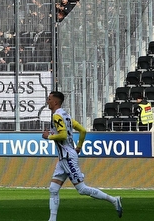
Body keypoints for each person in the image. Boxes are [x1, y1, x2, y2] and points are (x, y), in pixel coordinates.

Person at [43, 91, 121, 220]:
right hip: (64, 158)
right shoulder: (66, 116)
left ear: (55, 102)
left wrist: (49, 136)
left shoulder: (57, 116)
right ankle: (52, 219)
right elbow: (83, 130)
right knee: (53, 188)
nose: (47, 101)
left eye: (49, 99)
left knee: (82, 189)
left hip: (67, 157)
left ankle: (114, 200)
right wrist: (78, 146)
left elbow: (62, 135)